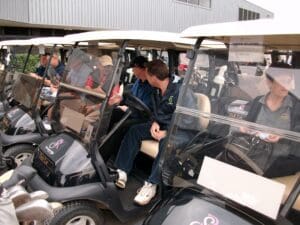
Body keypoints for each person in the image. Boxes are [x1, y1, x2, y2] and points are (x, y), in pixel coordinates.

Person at [114, 59, 181, 206]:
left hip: (180, 129)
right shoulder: (158, 90)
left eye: (148, 75)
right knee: (134, 131)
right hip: (162, 125)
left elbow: (186, 118)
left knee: (166, 142)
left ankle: (152, 184)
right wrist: (156, 122)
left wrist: (168, 132)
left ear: (153, 76)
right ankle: (122, 171)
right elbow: (161, 112)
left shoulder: (177, 91)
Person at [238, 62, 300, 177]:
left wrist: (282, 136)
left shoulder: (296, 107)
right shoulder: (257, 102)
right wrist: (244, 128)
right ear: (269, 82)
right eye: (284, 81)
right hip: (253, 156)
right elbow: (247, 125)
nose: (289, 86)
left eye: (290, 81)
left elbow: (298, 137)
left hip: (281, 164)